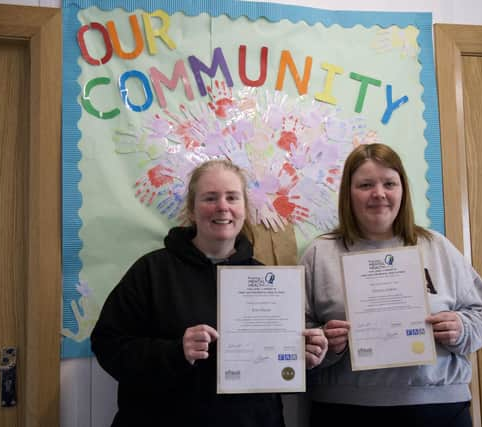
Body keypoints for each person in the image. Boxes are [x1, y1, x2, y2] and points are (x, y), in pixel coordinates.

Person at [91, 159, 328, 427]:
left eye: (231, 197)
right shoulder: (152, 271)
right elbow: (107, 345)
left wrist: (304, 358)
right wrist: (175, 352)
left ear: (244, 209)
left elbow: (275, 373)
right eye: (210, 198)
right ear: (192, 210)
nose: (222, 207)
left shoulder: (267, 280)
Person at [300, 143, 482, 427]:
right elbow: (296, 334)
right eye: (365, 184)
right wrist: (324, 343)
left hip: (438, 408)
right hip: (345, 409)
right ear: (348, 193)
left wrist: (461, 328)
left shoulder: (436, 246)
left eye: (389, 183)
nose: (378, 194)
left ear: (402, 190)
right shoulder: (320, 253)